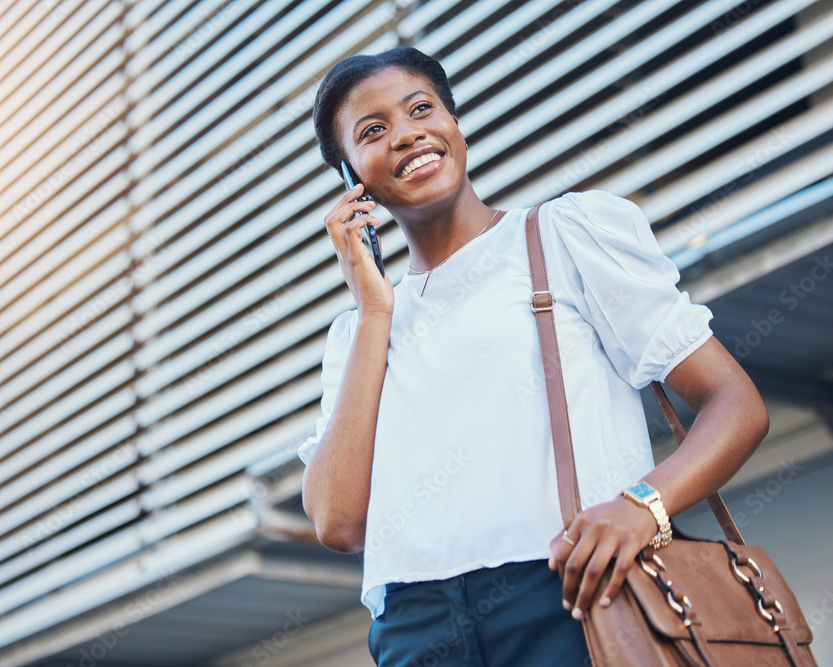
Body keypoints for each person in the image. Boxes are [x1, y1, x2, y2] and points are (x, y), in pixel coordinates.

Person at [297, 46, 768, 666]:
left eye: (421, 109)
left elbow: (735, 404)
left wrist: (642, 508)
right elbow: (338, 522)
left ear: (454, 123)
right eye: (373, 130)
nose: (407, 134)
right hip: (415, 630)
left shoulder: (562, 236)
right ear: (350, 178)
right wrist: (376, 313)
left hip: (572, 591)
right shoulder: (357, 332)